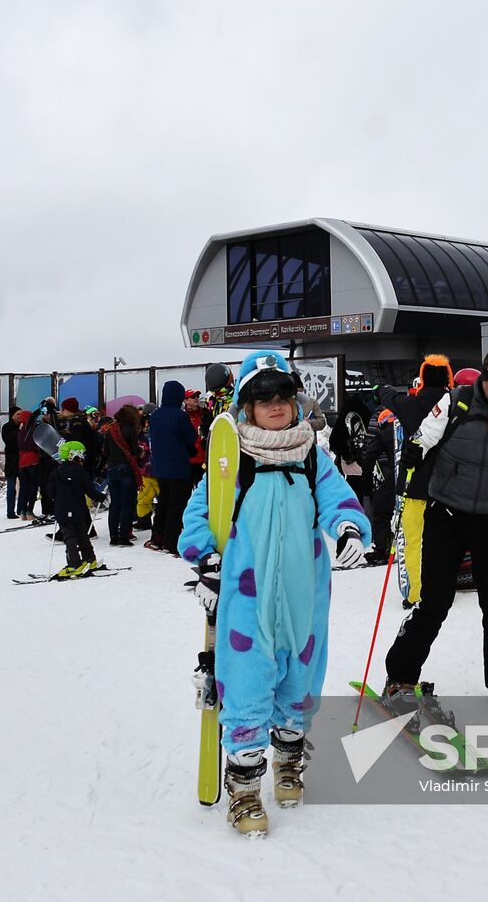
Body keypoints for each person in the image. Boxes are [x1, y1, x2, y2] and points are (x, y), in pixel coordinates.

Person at [179, 350, 368, 836]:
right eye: (263, 397)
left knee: (300, 681)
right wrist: (206, 559)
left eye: (283, 394)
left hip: (304, 596)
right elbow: (199, 515)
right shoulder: (231, 461)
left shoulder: (312, 457)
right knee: (246, 682)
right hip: (247, 597)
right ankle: (243, 789)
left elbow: (337, 500)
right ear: (247, 406)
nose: (276, 404)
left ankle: (288, 763)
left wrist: (348, 528)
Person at [382, 345, 488, 716]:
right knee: (434, 603)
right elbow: (425, 435)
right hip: (447, 515)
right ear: (486, 376)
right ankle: (399, 675)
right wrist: (414, 451)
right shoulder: (455, 402)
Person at [380, 354, 454, 605]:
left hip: (413, 485)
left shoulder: (409, 404)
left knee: (413, 542)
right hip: (447, 488)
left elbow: (387, 397)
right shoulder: (454, 405)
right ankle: (442, 590)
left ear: (422, 378)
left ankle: (415, 594)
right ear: (448, 377)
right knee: (443, 544)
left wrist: (382, 389)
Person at [147, 380, 199, 554]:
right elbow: (191, 437)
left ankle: (157, 537)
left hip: (160, 467)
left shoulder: (154, 415)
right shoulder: (180, 416)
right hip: (179, 467)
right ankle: (171, 541)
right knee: (177, 505)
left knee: (163, 502)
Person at [49, 441, 107, 578]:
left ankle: (74, 564)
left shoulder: (56, 472)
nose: (83, 458)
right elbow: (90, 490)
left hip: (62, 510)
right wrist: (100, 497)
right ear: (73, 455)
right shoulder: (81, 472)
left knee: (69, 537)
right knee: (82, 534)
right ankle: (90, 559)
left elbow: (50, 492)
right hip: (79, 510)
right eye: (81, 455)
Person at [360, 407, 398, 565]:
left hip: (396, 475)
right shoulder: (409, 427)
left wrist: (367, 487)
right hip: (419, 477)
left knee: (381, 508)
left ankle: (382, 548)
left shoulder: (384, 434)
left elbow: (369, 458)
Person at [102, 404, 143, 546]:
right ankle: (123, 536)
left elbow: (105, 452)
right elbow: (134, 450)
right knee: (127, 504)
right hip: (126, 468)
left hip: (111, 469)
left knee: (115, 504)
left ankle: (113, 536)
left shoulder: (110, 430)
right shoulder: (129, 429)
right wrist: (140, 451)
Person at [0, 408, 26, 519]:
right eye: (18, 414)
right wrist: (18, 430)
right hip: (11, 461)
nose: (20, 416)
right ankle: (10, 512)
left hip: (22, 459)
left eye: (22, 414)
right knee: (11, 487)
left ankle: (21, 509)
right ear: (12, 415)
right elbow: (8, 440)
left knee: (24, 486)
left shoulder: (24, 426)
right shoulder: (6, 427)